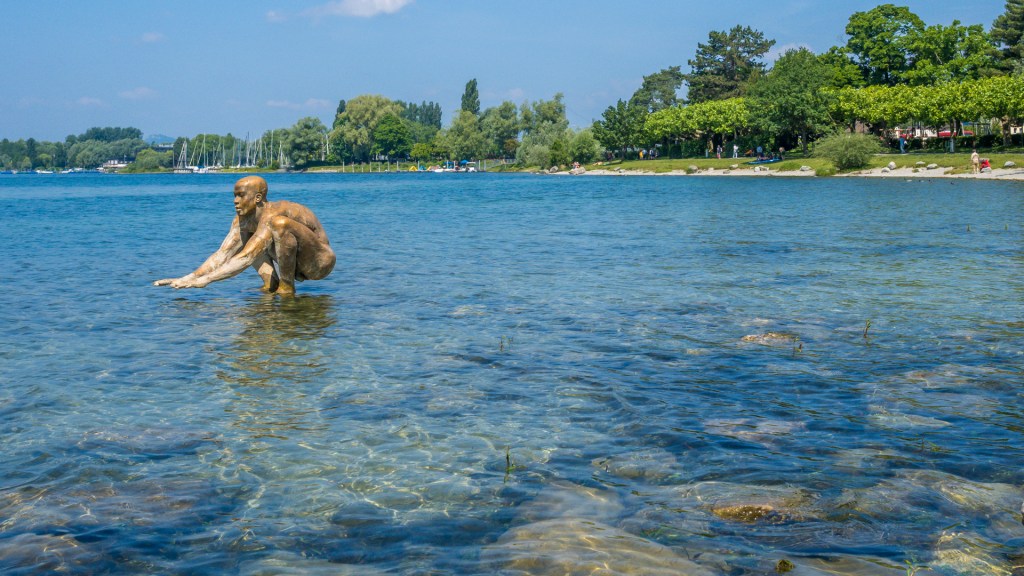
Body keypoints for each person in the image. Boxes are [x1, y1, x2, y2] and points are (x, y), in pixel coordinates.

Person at [154, 175, 335, 296]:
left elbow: (247, 257)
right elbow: (223, 255)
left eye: (240, 196)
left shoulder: (272, 214)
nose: (235, 201)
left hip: (318, 262)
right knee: (249, 239)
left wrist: (206, 280)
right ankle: (271, 284)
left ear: (257, 198)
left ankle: (286, 289)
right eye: (234, 196)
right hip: (292, 259)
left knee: (280, 225)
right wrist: (189, 278)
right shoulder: (242, 220)